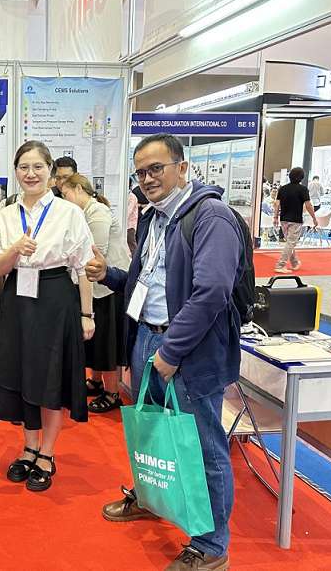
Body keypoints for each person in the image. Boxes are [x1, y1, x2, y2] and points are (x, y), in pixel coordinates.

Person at [86, 132, 244, 571]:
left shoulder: (210, 216)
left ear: (182, 167)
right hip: (147, 339)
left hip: (188, 349)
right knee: (153, 431)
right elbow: (149, 284)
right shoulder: (155, 217)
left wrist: (171, 352)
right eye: (140, 172)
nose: (148, 178)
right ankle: (152, 497)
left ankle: (211, 546)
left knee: (204, 446)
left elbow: (211, 292)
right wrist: (109, 274)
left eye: (156, 168)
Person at [0, 140, 95, 492]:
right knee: (22, 375)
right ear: (15, 172)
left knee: (51, 376)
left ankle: (47, 453)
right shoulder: (6, 214)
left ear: (50, 170)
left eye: (38, 167)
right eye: (24, 167)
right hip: (17, 298)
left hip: (55, 297)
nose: (30, 174)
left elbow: (83, 268)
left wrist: (87, 314)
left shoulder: (69, 212)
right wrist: (15, 249)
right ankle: (29, 447)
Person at [61, 174, 131, 412]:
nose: (65, 200)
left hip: (109, 287)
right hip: (97, 287)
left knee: (105, 342)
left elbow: (94, 252)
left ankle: (112, 393)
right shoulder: (85, 212)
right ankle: (96, 381)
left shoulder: (98, 211)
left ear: (79, 189)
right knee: (96, 339)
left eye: (66, 195)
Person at [274, 167, 317, 274]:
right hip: (296, 219)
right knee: (291, 243)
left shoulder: (282, 189)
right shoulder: (303, 190)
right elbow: (308, 206)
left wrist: (275, 217)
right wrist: (314, 218)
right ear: (302, 177)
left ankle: (295, 263)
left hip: (283, 219)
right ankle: (280, 265)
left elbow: (277, 204)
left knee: (290, 243)